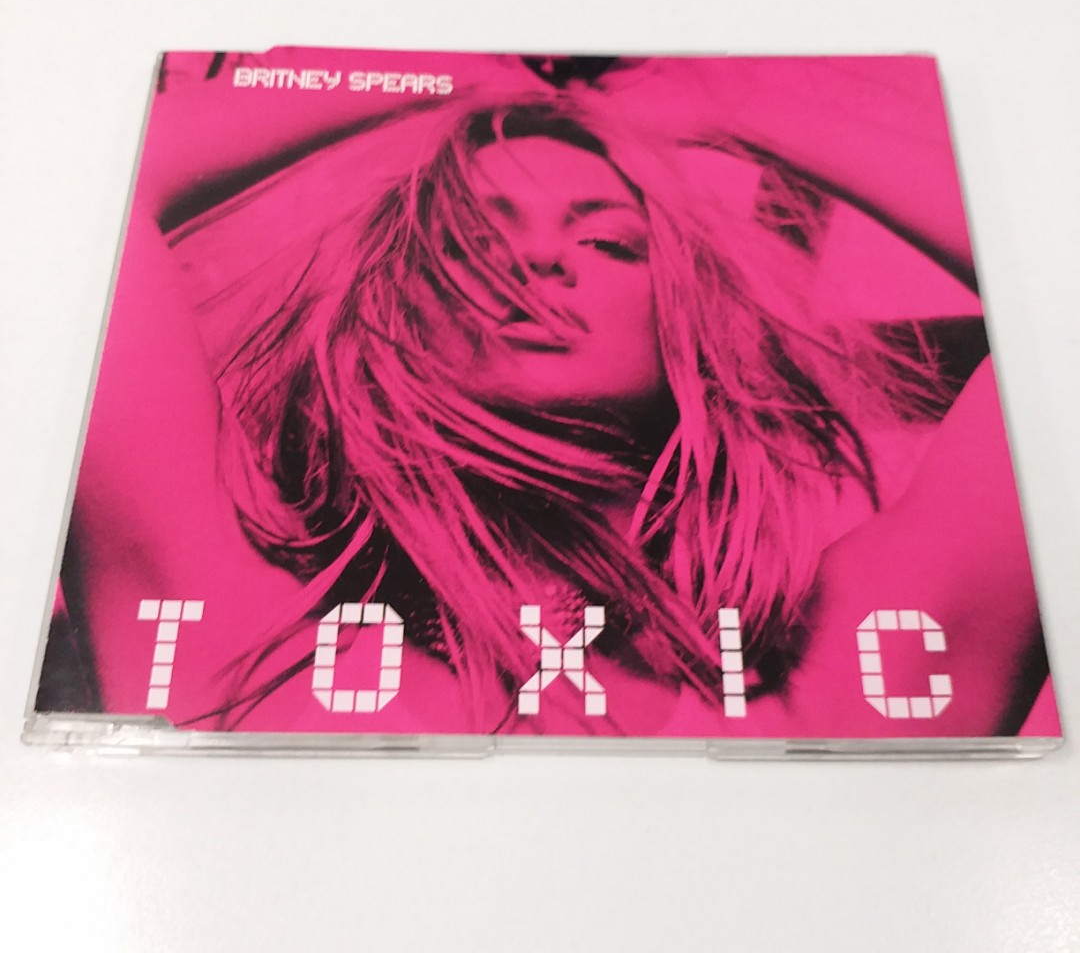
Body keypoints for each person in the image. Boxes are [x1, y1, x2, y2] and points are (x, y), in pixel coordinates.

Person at [41, 51, 1052, 739]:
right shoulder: (237, 633)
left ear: (687, 330)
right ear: (394, 309)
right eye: (471, 237)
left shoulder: (852, 678)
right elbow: (70, 182)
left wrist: (735, 106)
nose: (537, 257)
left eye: (608, 240)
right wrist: (436, 79)